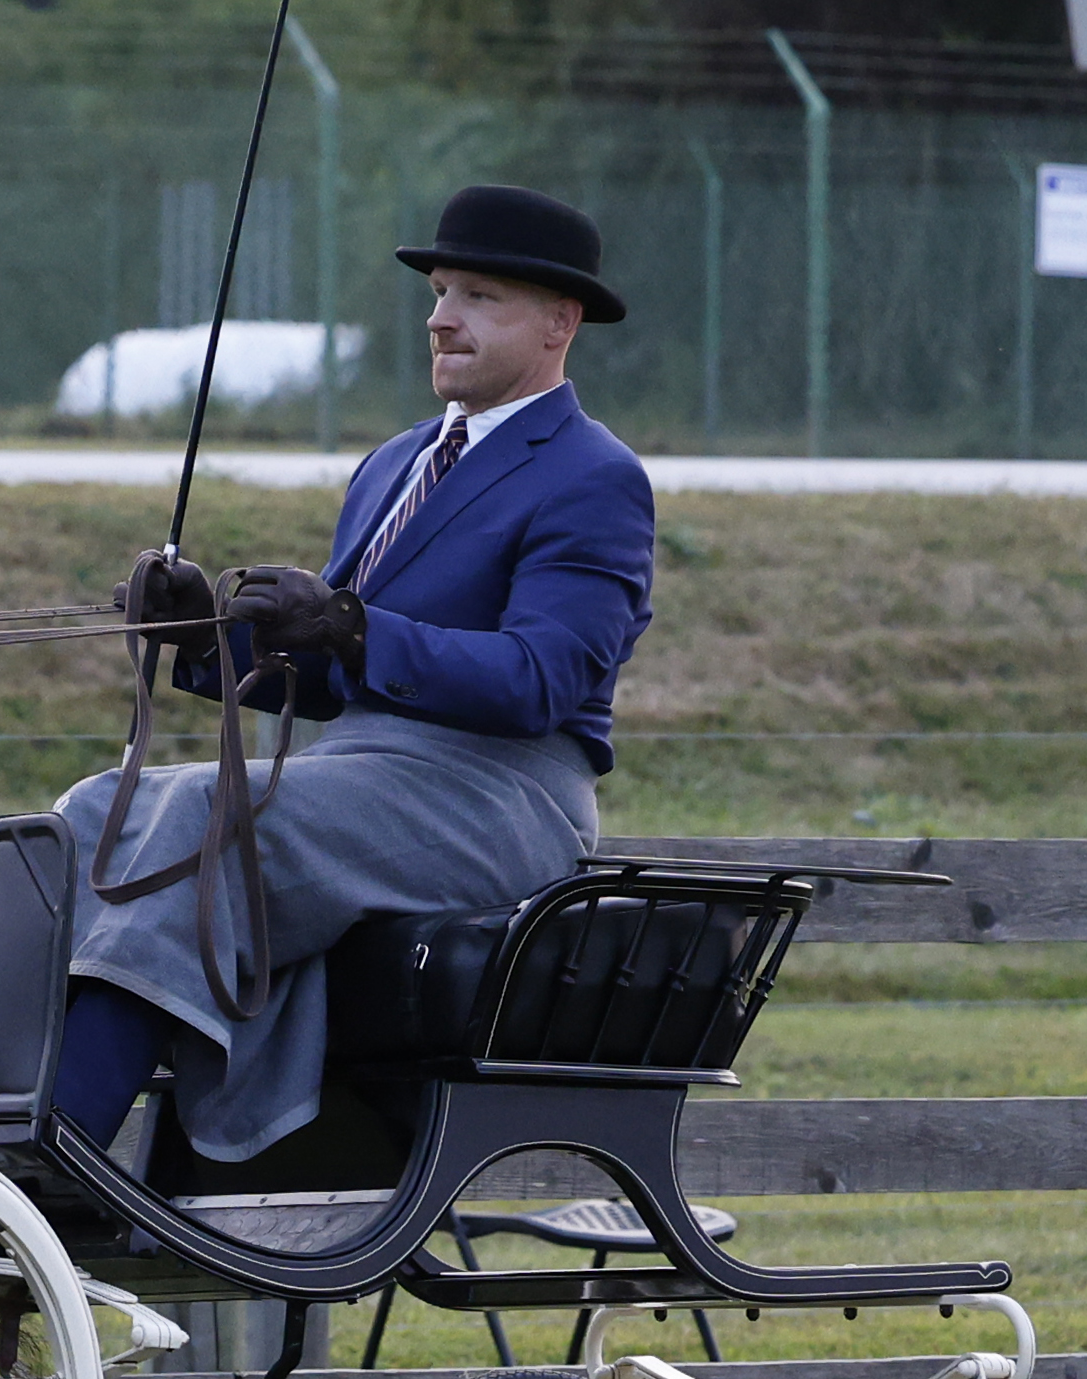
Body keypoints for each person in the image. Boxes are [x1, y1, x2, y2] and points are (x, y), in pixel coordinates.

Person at [46, 182, 655, 1167]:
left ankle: (63, 1149)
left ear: (559, 321)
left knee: (211, 810)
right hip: (360, 777)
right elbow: (331, 684)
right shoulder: (393, 465)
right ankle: (0, 1123)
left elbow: (539, 679)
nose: (442, 317)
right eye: (442, 292)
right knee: (88, 813)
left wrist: (353, 625)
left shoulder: (593, 475)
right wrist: (206, 639)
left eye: (479, 298)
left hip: (499, 800)